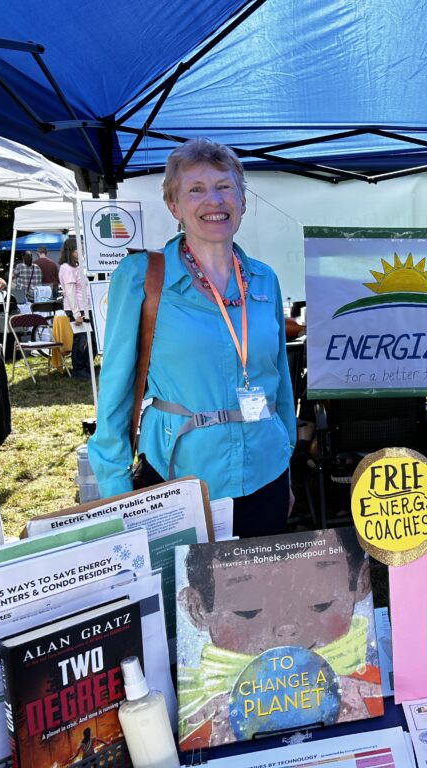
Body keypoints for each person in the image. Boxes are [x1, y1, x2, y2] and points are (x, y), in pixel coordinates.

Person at [89, 137, 296, 537]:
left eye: (224, 186)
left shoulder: (264, 279)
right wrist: (117, 497)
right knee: (190, 597)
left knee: (258, 594)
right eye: (195, 190)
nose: (213, 201)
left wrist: (285, 461)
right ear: (174, 207)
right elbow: (114, 394)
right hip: (180, 478)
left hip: (265, 472)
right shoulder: (141, 277)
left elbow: (280, 383)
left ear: (242, 200)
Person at [177, 528, 381, 748]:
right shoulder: (196, 716)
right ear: (195, 608)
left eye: (320, 603)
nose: (287, 626)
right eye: (249, 610)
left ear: (361, 584)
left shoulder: (372, 689)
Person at [58, 238, 91, 379]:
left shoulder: (75, 267)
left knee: (87, 339)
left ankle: (85, 366)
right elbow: (70, 292)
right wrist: (76, 313)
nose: (80, 251)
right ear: (70, 251)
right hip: (77, 308)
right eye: (78, 249)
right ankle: (78, 369)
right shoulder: (66, 268)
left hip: (84, 307)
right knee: (81, 339)